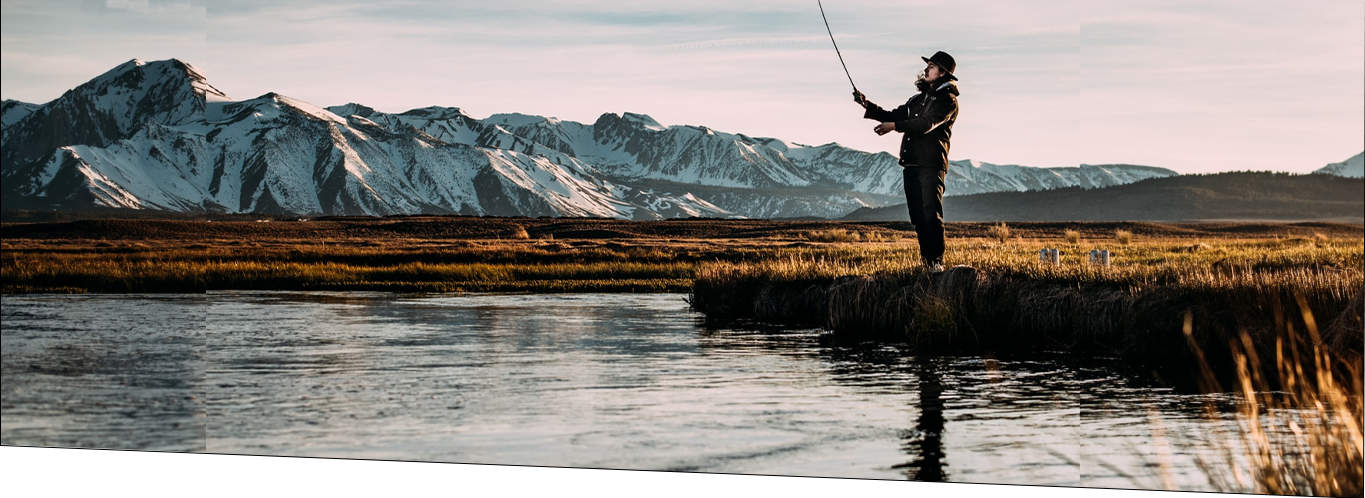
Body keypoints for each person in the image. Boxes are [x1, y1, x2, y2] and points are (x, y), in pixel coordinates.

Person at [854, 51, 960, 272]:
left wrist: (895, 126)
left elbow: (926, 124)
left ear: (943, 73)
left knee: (931, 214)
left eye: (931, 66)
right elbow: (893, 115)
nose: (926, 69)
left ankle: (936, 263)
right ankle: (927, 263)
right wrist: (866, 104)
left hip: (931, 165)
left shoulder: (948, 101)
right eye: (927, 66)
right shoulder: (916, 100)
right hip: (911, 163)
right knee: (918, 217)